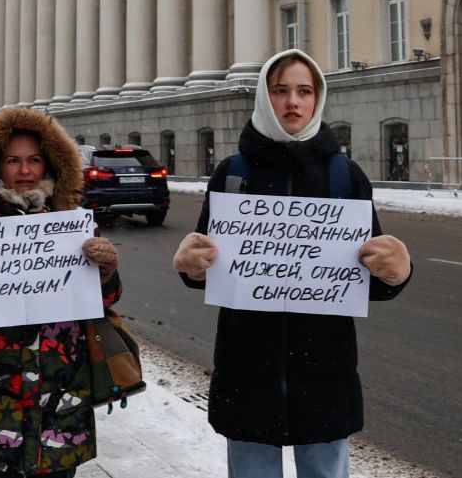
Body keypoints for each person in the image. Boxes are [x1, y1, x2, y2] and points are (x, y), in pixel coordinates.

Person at [173, 49, 412, 478]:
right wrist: (191, 265)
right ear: (265, 98)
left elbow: (368, 278)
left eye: (304, 91)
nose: (293, 102)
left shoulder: (344, 176)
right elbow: (208, 267)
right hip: (247, 370)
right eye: (280, 90)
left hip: (324, 370)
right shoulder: (233, 173)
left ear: (318, 98)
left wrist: (395, 271)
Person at [0, 107, 120, 478]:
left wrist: (107, 270)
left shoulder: (71, 223)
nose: (25, 170)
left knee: (59, 471)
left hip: (62, 379)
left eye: (34, 160)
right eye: (13, 161)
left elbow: (105, 300)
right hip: (0, 382)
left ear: (49, 165)